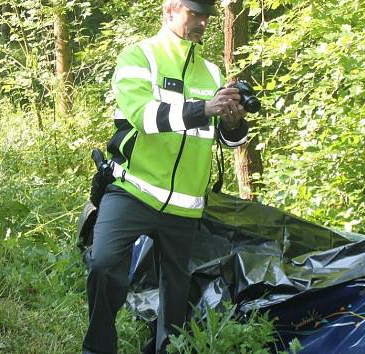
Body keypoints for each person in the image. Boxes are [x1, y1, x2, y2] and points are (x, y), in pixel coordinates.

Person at [82, 0, 249, 353]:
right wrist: (204, 108)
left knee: (176, 292)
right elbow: (145, 116)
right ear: (171, 9)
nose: (203, 22)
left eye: (207, 16)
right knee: (103, 264)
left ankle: (164, 349)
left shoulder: (213, 73)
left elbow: (226, 140)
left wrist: (233, 121)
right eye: (195, 14)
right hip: (133, 188)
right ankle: (98, 348)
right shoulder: (139, 57)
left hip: (185, 205)